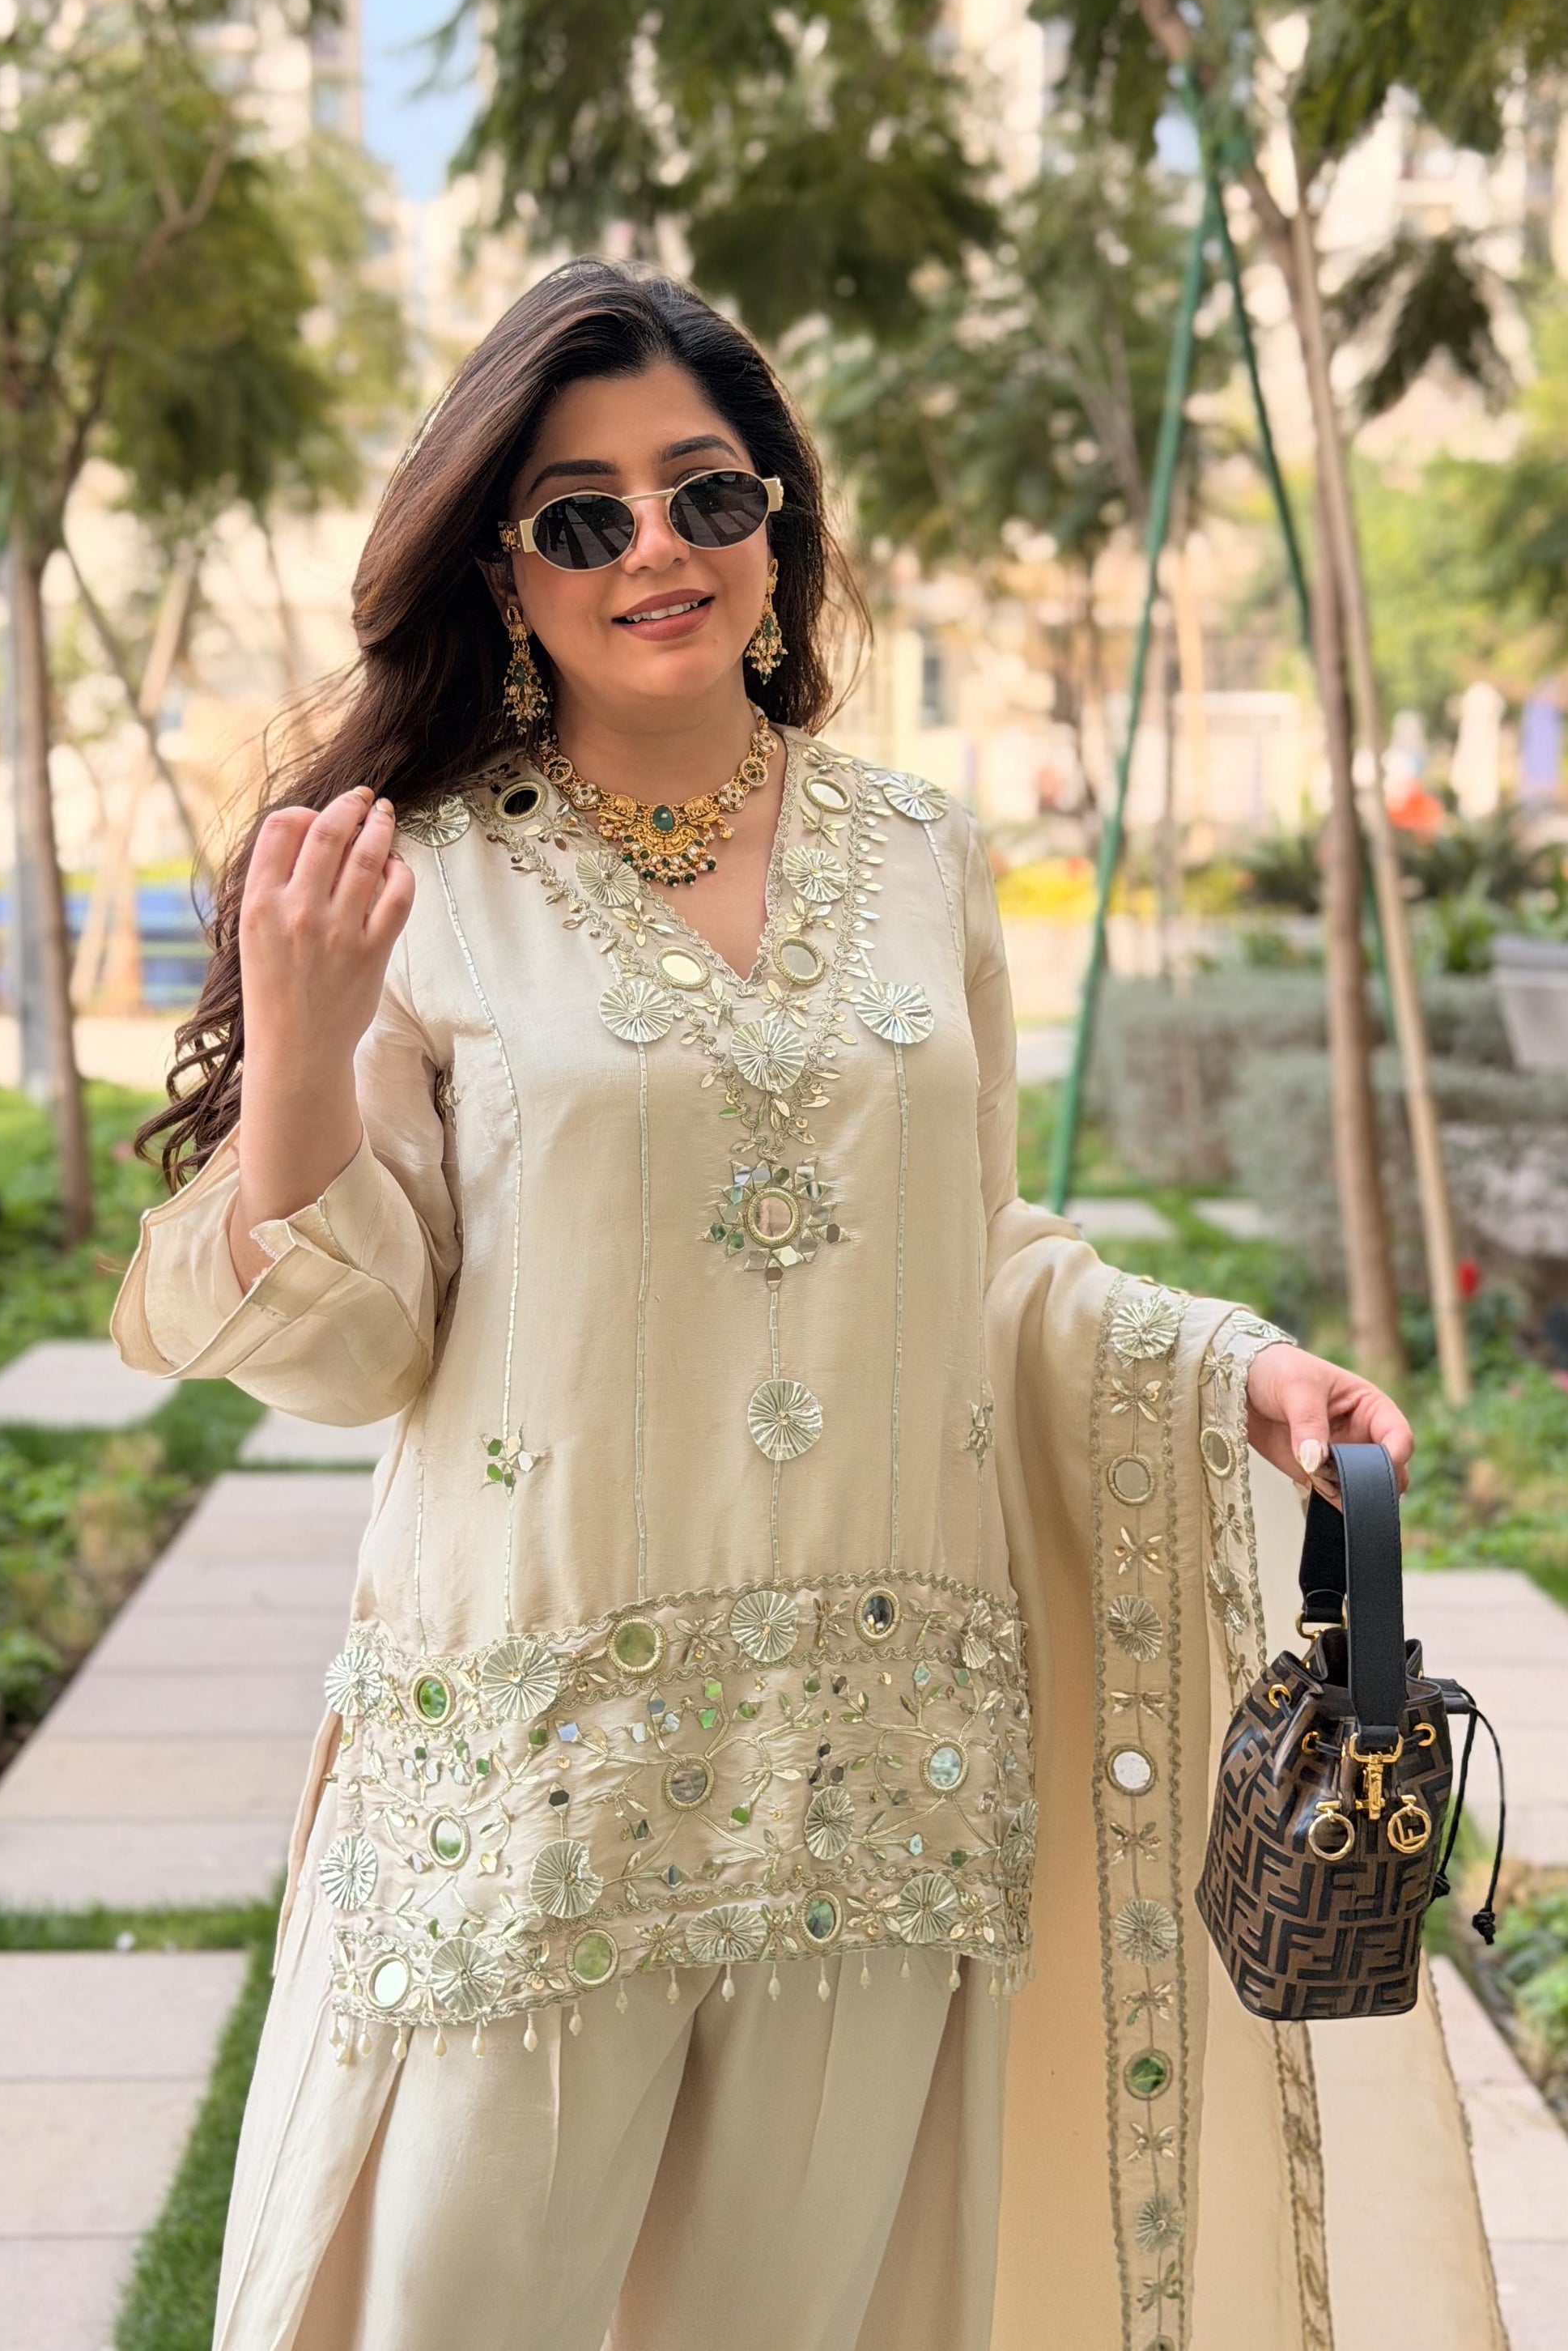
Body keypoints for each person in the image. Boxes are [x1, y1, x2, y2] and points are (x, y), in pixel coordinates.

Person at [113, 261, 1503, 2351]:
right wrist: (301, 1057)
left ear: (775, 522)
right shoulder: (429, 875)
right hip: (535, 1786)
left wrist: (1232, 1371)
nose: (653, 548)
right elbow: (354, 1347)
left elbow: (977, 1249)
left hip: (881, 1772)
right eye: (580, 515)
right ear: (504, 574)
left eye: (704, 491)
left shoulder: (924, 858)